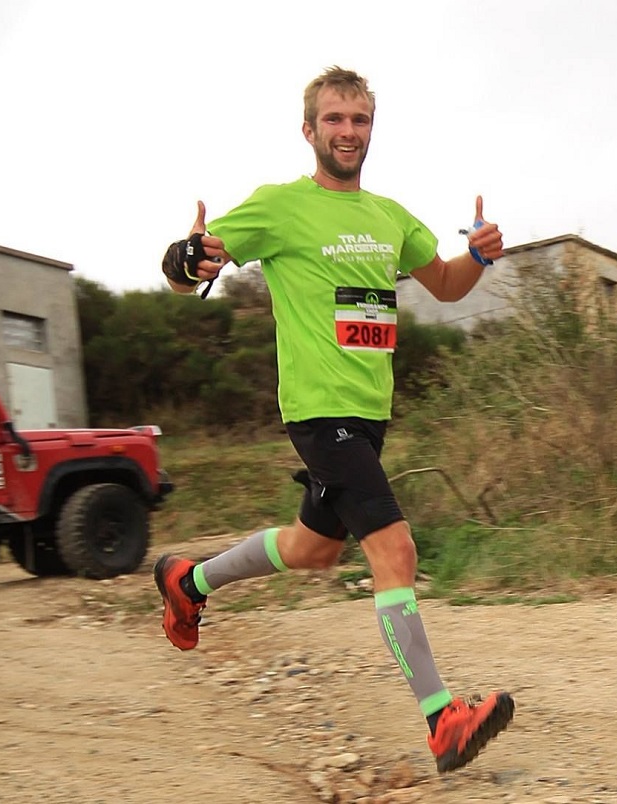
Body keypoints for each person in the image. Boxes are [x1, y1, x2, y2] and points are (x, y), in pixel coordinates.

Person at [150, 66, 516, 774]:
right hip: (319, 412)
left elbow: (443, 286)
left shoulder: (389, 216)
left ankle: (187, 583)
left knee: (314, 549)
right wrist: (188, 257)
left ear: (371, 128)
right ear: (309, 129)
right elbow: (187, 270)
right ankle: (443, 721)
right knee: (395, 548)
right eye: (335, 120)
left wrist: (477, 255)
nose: (348, 132)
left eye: (360, 121)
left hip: (369, 414)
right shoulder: (279, 207)